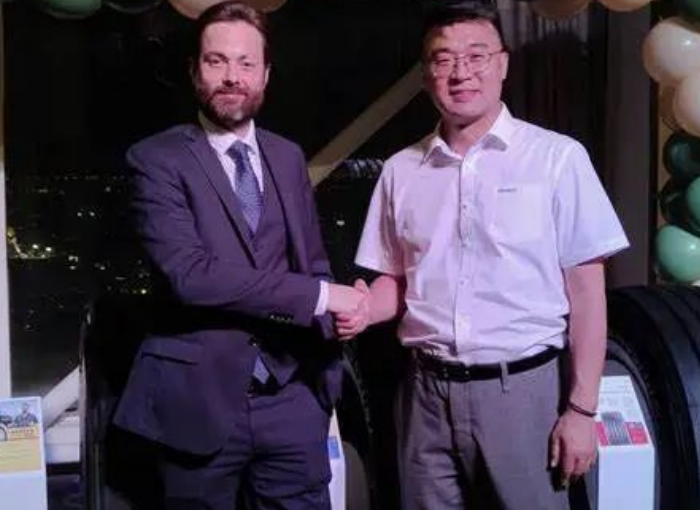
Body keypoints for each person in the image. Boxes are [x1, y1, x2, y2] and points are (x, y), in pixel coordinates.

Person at [337, 3, 629, 509]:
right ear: (426, 74)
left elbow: (587, 294)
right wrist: (362, 308)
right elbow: (398, 283)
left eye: (476, 56)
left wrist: (582, 411)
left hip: (523, 392)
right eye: (444, 59)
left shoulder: (557, 158)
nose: (461, 72)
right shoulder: (401, 170)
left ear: (503, 64)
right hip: (424, 394)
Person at [112, 2, 365, 508]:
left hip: (293, 400)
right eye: (217, 61)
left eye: (246, 63)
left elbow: (312, 261)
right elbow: (191, 277)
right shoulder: (156, 159)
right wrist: (321, 296)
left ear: (265, 74)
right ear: (194, 71)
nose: (233, 77)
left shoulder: (287, 156)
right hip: (197, 406)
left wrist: (339, 318)